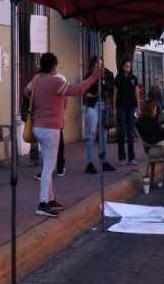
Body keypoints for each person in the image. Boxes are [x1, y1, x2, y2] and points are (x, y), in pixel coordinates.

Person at [23, 52, 101, 218]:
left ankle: (50, 199)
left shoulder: (36, 80)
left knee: (47, 163)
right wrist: (93, 77)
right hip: (51, 129)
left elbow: (26, 92)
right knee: (49, 166)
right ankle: (43, 202)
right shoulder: (56, 82)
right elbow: (77, 89)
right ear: (53, 66)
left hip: (38, 126)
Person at [83, 55, 116, 174]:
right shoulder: (89, 76)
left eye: (101, 64)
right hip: (93, 107)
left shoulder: (106, 75)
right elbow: (86, 93)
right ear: (93, 65)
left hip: (103, 106)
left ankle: (104, 161)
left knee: (103, 136)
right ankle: (89, 163)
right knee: (92, 136)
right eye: (97, 64)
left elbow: (110, 89)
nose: (99, 66)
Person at [113, 58, 140, 166]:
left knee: (130, 133)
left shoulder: (133, 78)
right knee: (122, 132)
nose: (128, 68)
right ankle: (121, 158)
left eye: (129, 66)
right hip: (121, 107)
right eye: (126, 66)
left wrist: (138, 107)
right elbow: (115, 94)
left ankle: (132, 157)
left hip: (132, 107)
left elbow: (137, 93)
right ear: (122, 67)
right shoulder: (118, 78)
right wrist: (114, 108)